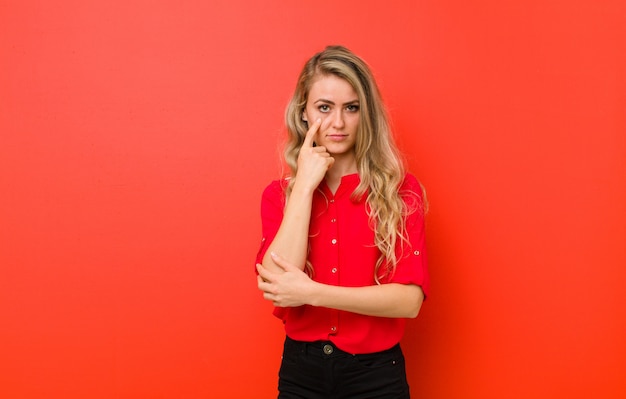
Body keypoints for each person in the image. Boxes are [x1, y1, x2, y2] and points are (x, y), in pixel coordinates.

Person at [255, 45, 429, 399]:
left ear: (366, 114)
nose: (338, 123)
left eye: (352, 108)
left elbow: (409, 300)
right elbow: (276, 286)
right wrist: (304, 186)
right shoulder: (279, 195)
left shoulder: (401, 191)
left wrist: (313, 293)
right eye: (324, 108)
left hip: (377, 375)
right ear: (304, 112)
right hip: (301, 373)